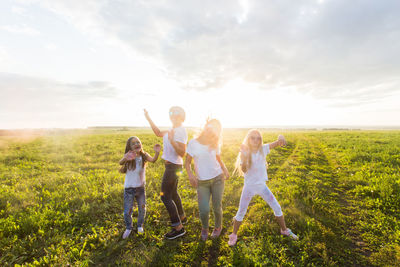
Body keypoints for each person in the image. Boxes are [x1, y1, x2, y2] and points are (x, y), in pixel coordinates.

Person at [228, 130, 298, 246]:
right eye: (252, 138)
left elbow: (277, 142)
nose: (255, 140)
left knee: (277, 207)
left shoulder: (263, 149)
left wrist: (280, 136)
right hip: (249, 187)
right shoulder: (245, 152)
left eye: (258, 138)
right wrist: (245, 156)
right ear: (248, 139)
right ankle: (234, 234)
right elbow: (244, 170)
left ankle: (284, 230)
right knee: (241, 212)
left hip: (262, 187)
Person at [144, 107, 188, 239]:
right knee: (173, 193)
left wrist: (173, 140)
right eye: (171, 113)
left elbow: (182, 153)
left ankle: (178, 228)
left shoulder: (180, 131)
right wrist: (148, 118)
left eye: (176, 113)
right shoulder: (171, 130)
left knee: (165, 196)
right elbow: (158, 133)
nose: (173, 115)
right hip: (173, 166)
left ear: (182, 116)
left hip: (173, 167)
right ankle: (182, 217)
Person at [185, 119, 229, 241]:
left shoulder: (215, 143)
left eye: (215, 129)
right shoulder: (193, 143)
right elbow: (187, 162)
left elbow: (218, 159)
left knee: (216, 206)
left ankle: (218, 227)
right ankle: (205, 228)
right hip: (202, 182)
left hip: (217, 179)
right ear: (205, 126)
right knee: (203, 209)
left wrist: (224, 169)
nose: (212, 130)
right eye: (210, 127)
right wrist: (190, 175)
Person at [119, 136, 160, 239]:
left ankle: (140, 225)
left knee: (142, 208)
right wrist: (126, 158)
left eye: (138, 142)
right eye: (133, 143)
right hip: (129, 189)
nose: (136, 144)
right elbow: (120, 162)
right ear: (130, 147)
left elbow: (153, 160)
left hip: (140, 189)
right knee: (127, 210)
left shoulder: (144, 155)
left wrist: (157, 152)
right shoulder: (129, 155)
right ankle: (129, 227)